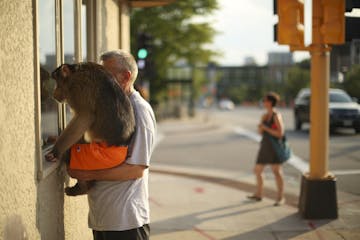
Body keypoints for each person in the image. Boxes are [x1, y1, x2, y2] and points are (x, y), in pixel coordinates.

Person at [68, 49, 156, 240]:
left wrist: (87, 174)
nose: (101, 81)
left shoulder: (140, 111)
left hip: (126, 221)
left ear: (126, 77)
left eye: (107, 76)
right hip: (103, 217)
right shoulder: (112, 108)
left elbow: (136, 169)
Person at [247, 92, 285, 206]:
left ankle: (280, 197)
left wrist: (265, 128)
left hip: (274, 148)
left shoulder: (276, 116)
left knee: (277, 172)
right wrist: (261, 127)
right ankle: (259, 194)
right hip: (265, 146)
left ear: (270, 102)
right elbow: (260, 132)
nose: (263, 102)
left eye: (265, 100)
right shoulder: (264, 116)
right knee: (257, 170)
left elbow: (280, 134)